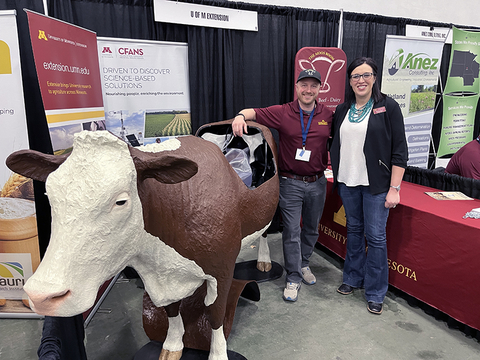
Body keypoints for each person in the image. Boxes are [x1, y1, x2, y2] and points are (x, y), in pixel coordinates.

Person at [232, 69, 332, 302]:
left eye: (313, 86)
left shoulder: (328, 114)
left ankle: (304, 263)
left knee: (312, 229)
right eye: (304, 85)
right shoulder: (283, 112)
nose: (308, 90)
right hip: (291, 183)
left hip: (317, 182)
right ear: (297, 87)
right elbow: (251, 112)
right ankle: (294, 277)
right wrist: (239, 117)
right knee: (292, 232)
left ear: (319, 89)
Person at [330, 57, 408, 315]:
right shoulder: (343, 109)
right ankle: (352, 278)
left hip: (377, 187)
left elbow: (399, 151)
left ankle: (375, 292)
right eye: (355, 76)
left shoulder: (389, 107)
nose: (360, 80)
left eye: (366, 75)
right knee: (353, 230)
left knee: (375, 238)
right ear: (350, 81)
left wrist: (394, 188)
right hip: (348, 182)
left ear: (375, 78)